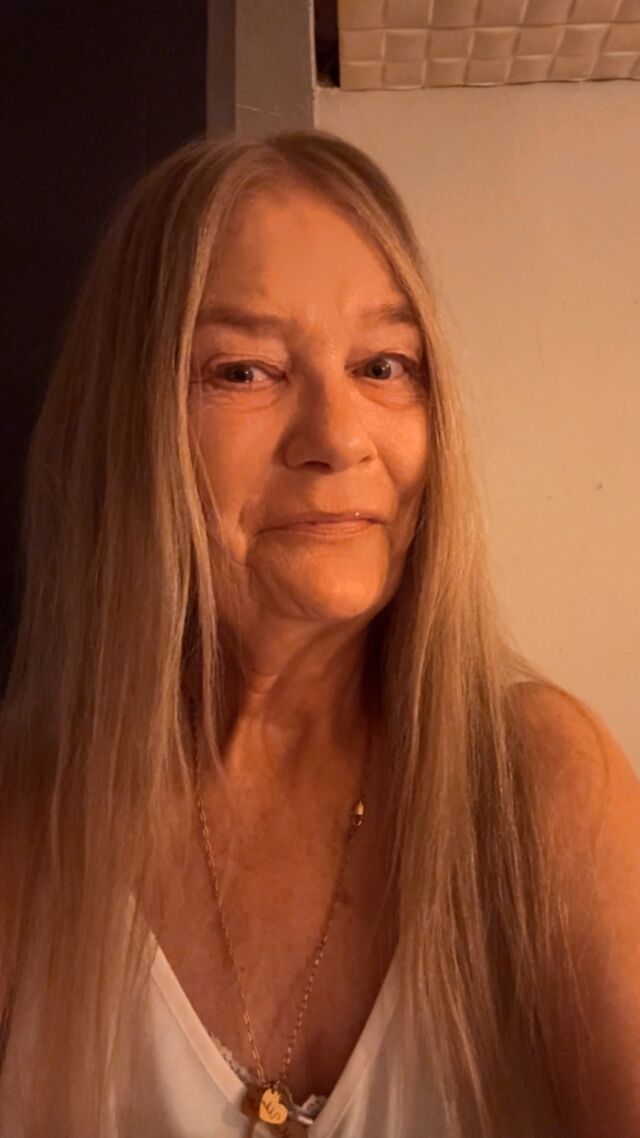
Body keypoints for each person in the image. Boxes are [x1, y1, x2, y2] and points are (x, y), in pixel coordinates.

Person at [0, 128, 638, 1138]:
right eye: (245, 372)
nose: (339, 439)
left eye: (384, 365)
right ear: (129, 424)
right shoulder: (25, 819)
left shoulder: (542, 786)